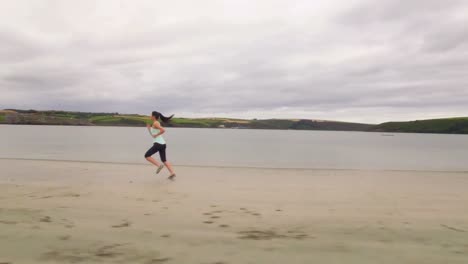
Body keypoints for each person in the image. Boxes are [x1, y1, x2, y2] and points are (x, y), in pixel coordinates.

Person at [144, 111, 176, 180]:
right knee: (164, 160)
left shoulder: (155, 123)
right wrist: (149, 129)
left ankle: (159, 166)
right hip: (162, 144)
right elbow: (153, 136)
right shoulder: (156, 123)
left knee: (147, 155)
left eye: (151, 115)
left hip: (158, 144)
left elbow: (163, 130)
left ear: (154, 116)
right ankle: (172, 173)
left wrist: (156, 134)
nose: (150, 116)